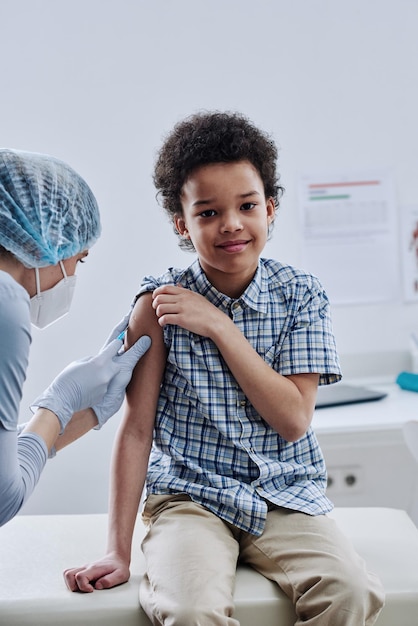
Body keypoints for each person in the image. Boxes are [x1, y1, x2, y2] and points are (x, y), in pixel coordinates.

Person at [64, 112, 385, 625]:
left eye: (247, 205)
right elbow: (136, 430)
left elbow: (293, 420)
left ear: (270, 208)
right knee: (190, 611)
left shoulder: (301, 296)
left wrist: (219, 326)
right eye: (208, 212)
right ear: (182, 224)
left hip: (283, 493)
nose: (231, 224)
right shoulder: (156, 305)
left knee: (350, 591)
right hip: (190, 497)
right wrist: (118, 552)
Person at [0, 148, 150, 527]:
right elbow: (3, 499)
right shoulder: (6, 303)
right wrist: (59, 402)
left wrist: (84, 414)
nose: (72, 275)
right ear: (43, 240)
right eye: (78, 259)